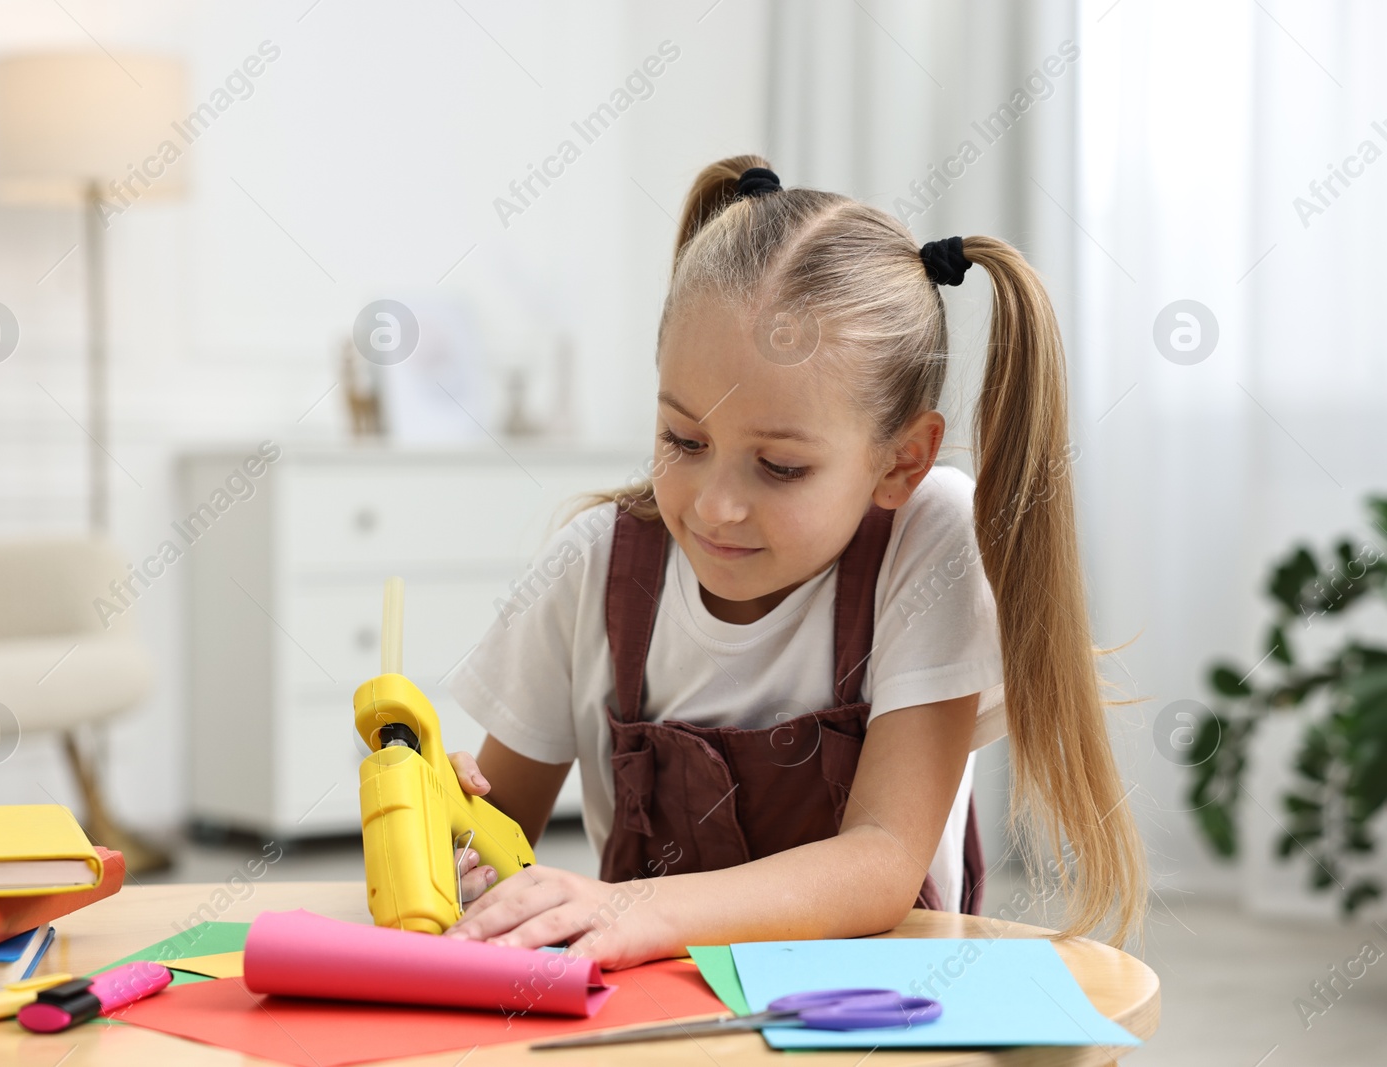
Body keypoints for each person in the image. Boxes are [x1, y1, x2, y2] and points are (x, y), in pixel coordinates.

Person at [441, 155, 1145, 969]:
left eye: (779, 467)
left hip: (874, 1023)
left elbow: (882, 858)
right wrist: (452, 836)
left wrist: (635, 908)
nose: (714, 505)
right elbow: (500, 838)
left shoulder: (928, 538)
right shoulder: (592, 566)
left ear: (900, 462)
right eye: (683, 440)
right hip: (645, 1027)